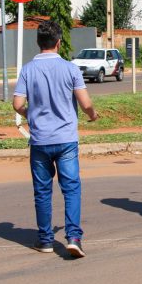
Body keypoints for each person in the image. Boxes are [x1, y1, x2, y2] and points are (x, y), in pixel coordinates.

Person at [13, 19, 98, 258]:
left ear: (39, 43)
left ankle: (45, 240)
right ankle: (73, 237)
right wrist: (93, 115)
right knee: (71, 188)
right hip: (66, 139)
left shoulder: (28, 70)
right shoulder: (71, 69)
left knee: (42, 191)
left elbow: (17, 104)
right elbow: (85, 103)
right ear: (59, 43)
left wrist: (30, 114)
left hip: (40, 140)